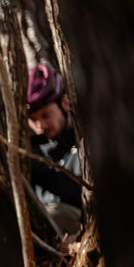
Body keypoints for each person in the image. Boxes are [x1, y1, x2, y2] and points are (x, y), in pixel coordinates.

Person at [25, 63, 84, 236]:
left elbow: (76, 189)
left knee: (57, 215)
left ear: (65, 104)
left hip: (78, 223)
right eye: (33, 119)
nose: (40, 126)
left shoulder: (85, 140)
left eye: (46, 115)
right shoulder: (36, 147)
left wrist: (36, 165)